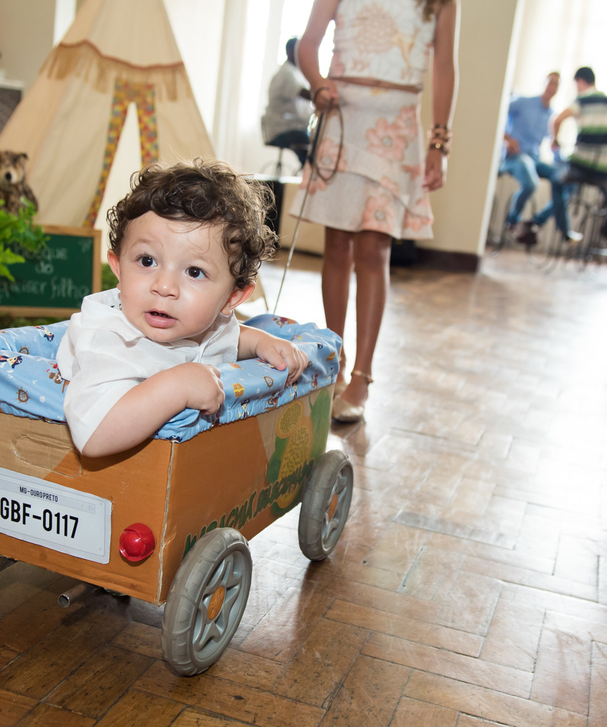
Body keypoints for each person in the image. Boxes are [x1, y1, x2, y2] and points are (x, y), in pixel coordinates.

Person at [56, 161, 310, 458]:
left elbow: (227, 335)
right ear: (118, 268)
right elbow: (93, 437)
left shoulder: (206, 325)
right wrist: (177, 387)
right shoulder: (111, 339)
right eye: (147, 261)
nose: (164, 286)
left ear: (232, 298)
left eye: (194, 271)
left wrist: (261, 342)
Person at [292, 0, 459, 423]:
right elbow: (308, 44)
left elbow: (444, 67)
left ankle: (362, 376)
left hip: (397, 129)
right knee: (338, 246)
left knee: (373, 250)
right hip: (343, 118)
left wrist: (440, 141)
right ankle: (335, 359)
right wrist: (317, 83)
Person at [549, 67, 607, 262]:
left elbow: (557, 120)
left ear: (580, 82)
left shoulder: (582, 101)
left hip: (580, 166)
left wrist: (556, 141)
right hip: (606, 170)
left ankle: (565, 231)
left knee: (557, 181)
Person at [501, 72, 561, 246]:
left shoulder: (552, 115)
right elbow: (499, 112)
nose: (552, 87)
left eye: (556, 84)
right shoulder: (524, 102)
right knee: (531, 183)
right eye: (550, 83)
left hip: (535, 158)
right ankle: (512, 222)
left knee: (565, 179)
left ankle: (535, 222)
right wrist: (507, 139)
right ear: (544, 84)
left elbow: (553, 144)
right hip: (516, 156)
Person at [262, 38, 315, 167]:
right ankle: (308, 173)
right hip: (281, 129)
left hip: (290, 127)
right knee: (310, 145)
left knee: (313, 139)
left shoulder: (295, 73)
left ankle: (308, 171)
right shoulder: (286, 74)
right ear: (290, 51)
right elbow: (307, 94)